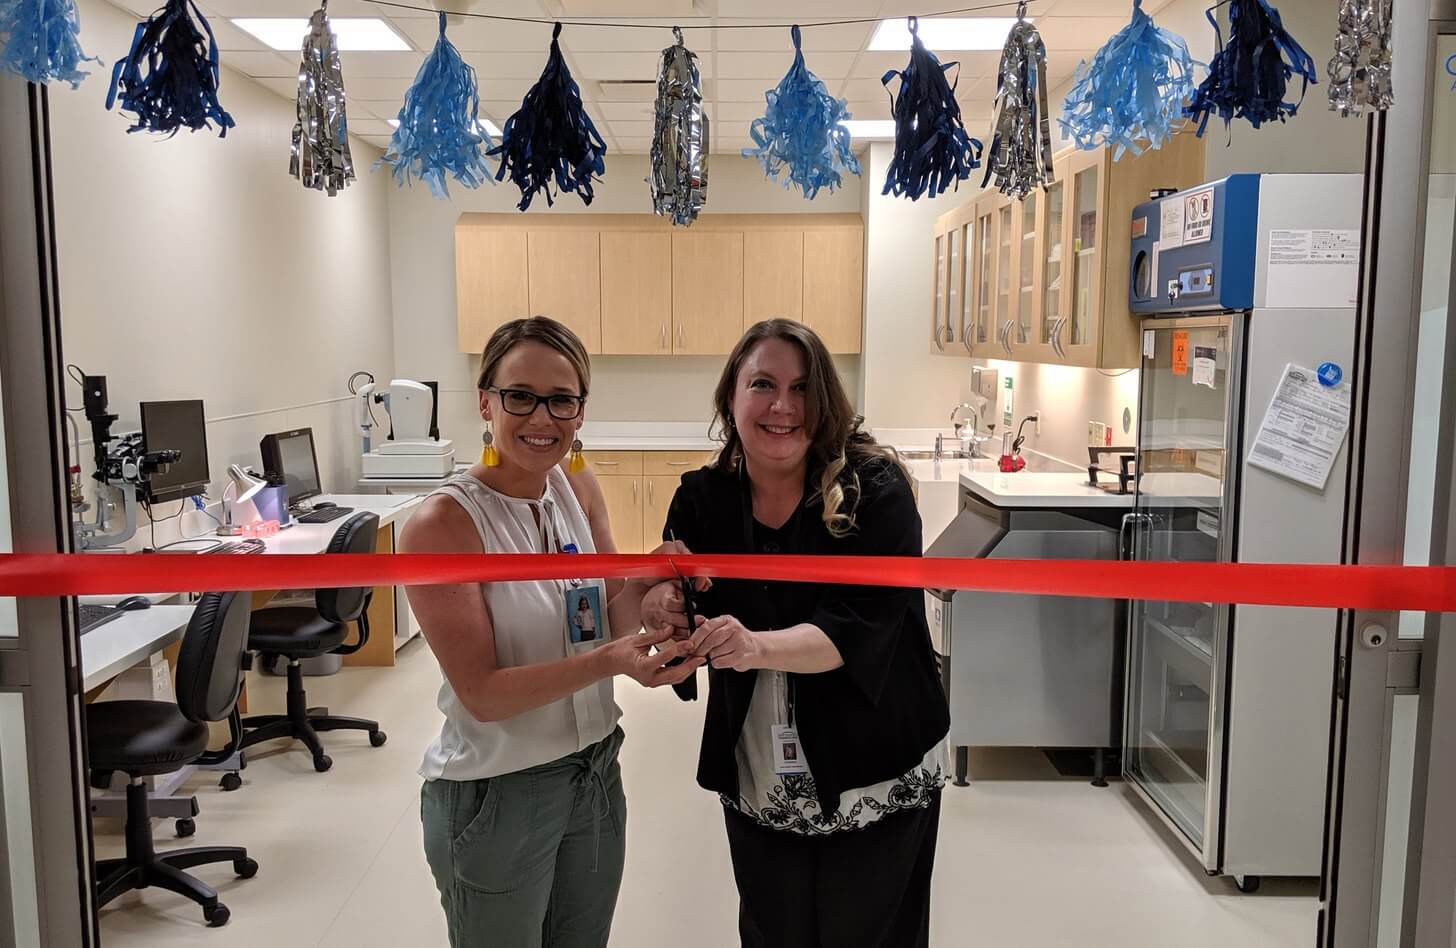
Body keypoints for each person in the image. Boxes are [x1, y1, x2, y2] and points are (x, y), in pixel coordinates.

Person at [634, 318, 951, 948]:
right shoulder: (702, 498)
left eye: (803, 388)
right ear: (731, 397)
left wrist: (752, 646)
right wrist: (662, 604)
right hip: (760, 774)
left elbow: (863, 628)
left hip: (874, 768)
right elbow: (672, 597)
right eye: (763, 384)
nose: (783, 406)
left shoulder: (875, 491)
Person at [399, 315, 702, 948]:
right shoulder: (443, 525)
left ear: (581, 411)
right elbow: (482, 694)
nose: (542, 418)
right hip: (498, 794)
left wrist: (653, 594)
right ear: (485, 402)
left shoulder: (574, 486)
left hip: (593, 772)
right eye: (520, 397)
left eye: (561, 400)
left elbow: (608, 606)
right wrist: (613, 660)